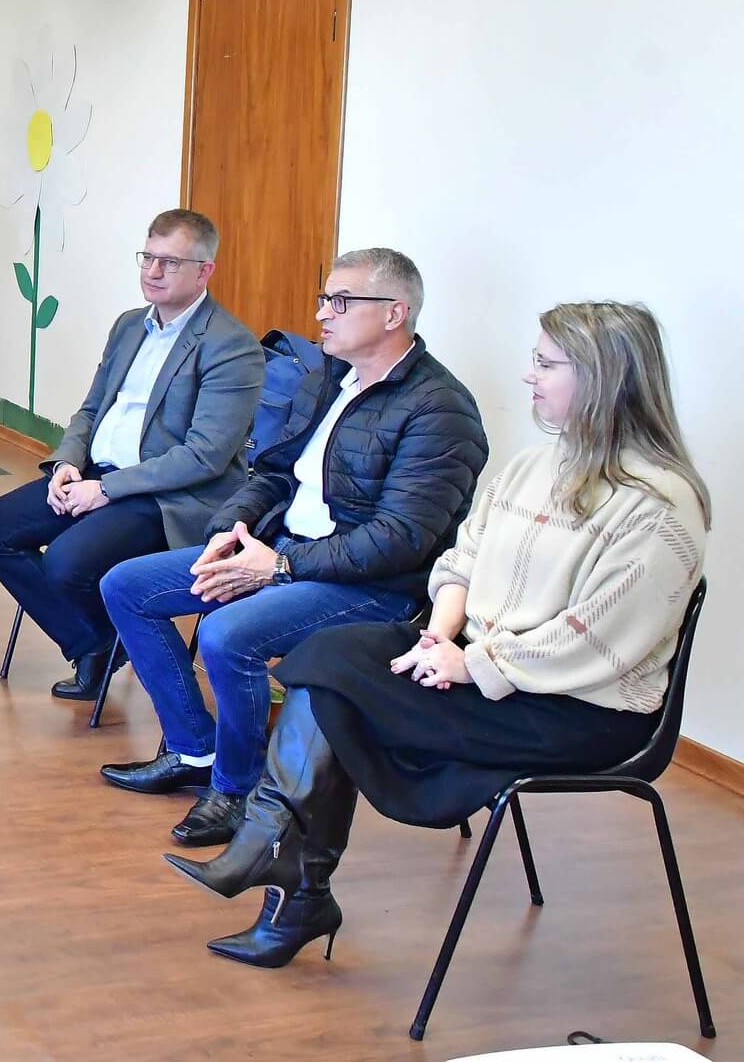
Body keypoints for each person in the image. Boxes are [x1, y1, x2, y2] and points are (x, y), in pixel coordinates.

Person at [167, 302, 710, 967]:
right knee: (325, 657)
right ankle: (278, 865)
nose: (529, 375)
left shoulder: (659, 503)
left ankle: (286, 879)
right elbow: (461, 559)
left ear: (603, 378)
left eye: (545, 364)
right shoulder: (535, 466)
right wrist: (441, 636)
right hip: (475, 658)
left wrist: (473, 664)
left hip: (577, 708)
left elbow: (596, 638)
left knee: (332, 684)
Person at [97, 248, 489, 849]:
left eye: (341, 301)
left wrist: (277, 567)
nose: (322, 313)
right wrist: (231, 527)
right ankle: (194, 750)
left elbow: (399, 540)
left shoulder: (440, 410)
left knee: (227, 634)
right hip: (285, 552)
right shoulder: (330, 376)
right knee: (127, 586)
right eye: (324, 298)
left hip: (374, 588)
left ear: (394, 313)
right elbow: (275, 472)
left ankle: (238, 792)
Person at [0, 210, 262, 698]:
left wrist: (105, 489)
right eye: (148, 257)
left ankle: (107, 645)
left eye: (170, 262)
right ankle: (98, 642)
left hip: (165, 496)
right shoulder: (129, 326)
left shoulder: (231, 346)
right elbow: (90, 409)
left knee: (66, 563)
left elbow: (204, 456)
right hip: (95, 475)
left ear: (205, 271)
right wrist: (66, 463)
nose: (153, 271)